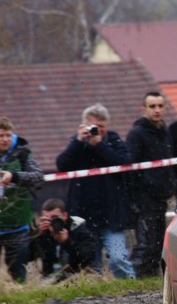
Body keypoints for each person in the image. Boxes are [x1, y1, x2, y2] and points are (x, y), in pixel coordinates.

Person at [56, 103, 136, 279]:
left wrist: (100, 145)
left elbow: (124, 162)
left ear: (106, 126)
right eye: (93, 127)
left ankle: (131, 289)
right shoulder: (77, 144)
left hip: (111, 215)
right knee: (92, 265)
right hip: (84, 216)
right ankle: (98, 297)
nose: (96, 130)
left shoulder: (113, 141)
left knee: (118, 259)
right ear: (84, 126)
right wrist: (78, 142)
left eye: (101, 127)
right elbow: (62, 165)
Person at [127, 91, 176, 278]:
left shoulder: (164, 132)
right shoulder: (137, 134)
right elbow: (131, 169)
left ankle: (151, 277)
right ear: (144, 109)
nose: (157, 110)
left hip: (161, 196)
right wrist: (135, 199)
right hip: (144, 197)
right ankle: (139, 278)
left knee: (158, 243)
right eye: (152, 106)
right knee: (146, 244)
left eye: (160, 106)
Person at [0, 116, 43, 282]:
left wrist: (14, 177)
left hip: (19, 227)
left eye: (8, 135)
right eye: (0, 136)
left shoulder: (22, 153)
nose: (5, 139)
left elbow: (38, 178)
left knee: (19, 277)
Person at [35, 198, 95, 279]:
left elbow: (88, 257)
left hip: (78, 278)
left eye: (55, 217)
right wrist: (39, 236)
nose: (52, 222)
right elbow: (28, 256)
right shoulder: (43, 231)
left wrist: (67, 242)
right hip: (50, 279)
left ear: (65, 216)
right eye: (47, 218)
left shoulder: (77, 228)